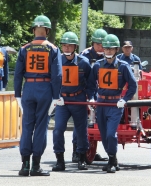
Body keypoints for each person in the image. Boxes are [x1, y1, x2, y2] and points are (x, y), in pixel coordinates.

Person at [14, 15, 62, 176]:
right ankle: (36, 165)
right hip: (45, 88)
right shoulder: (53, 49)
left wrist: (17, 94)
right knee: (41, 126)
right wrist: (56, 97)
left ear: (34, 29)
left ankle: (25, 165)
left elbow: (17, 74)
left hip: (28, 88)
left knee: (27, 125)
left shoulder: (24, 48)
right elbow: (57, 76)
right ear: (47, 30)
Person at [87, 34, 137, 173]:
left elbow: (133, 86)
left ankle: (112, 158)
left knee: (110, 133)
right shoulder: (97, 65)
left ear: (116, 50)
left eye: (111, 49)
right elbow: (90, 85)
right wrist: (91, 98)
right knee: (103, 134)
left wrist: (124, 99)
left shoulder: (123, 66)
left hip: (115, 104)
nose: (108, 51)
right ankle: (112, 159)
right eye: (106, 49)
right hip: (101, 103)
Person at [52, 31, 91, 171]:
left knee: (81, 130)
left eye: (70, 46)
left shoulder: (83, 62)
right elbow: (53, 80)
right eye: (64, 45)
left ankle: (81, 158)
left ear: (75, 47)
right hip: (63, 100)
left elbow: (91, 82)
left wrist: (89, 97)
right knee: (57, 130)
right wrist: (56, 96)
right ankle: (59, 160)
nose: (67, 48)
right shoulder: (57, 61)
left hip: (78, 99)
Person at [71, 28, 108, 163]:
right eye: (98, 44)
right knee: (81, 122)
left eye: (103, 45)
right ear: (93, 43)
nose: (101, 47)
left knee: (96, 122)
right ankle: (76, 151)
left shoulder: (108, 54)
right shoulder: (84, 54)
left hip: (101, 92)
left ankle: (92, 150)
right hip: (85, 91)